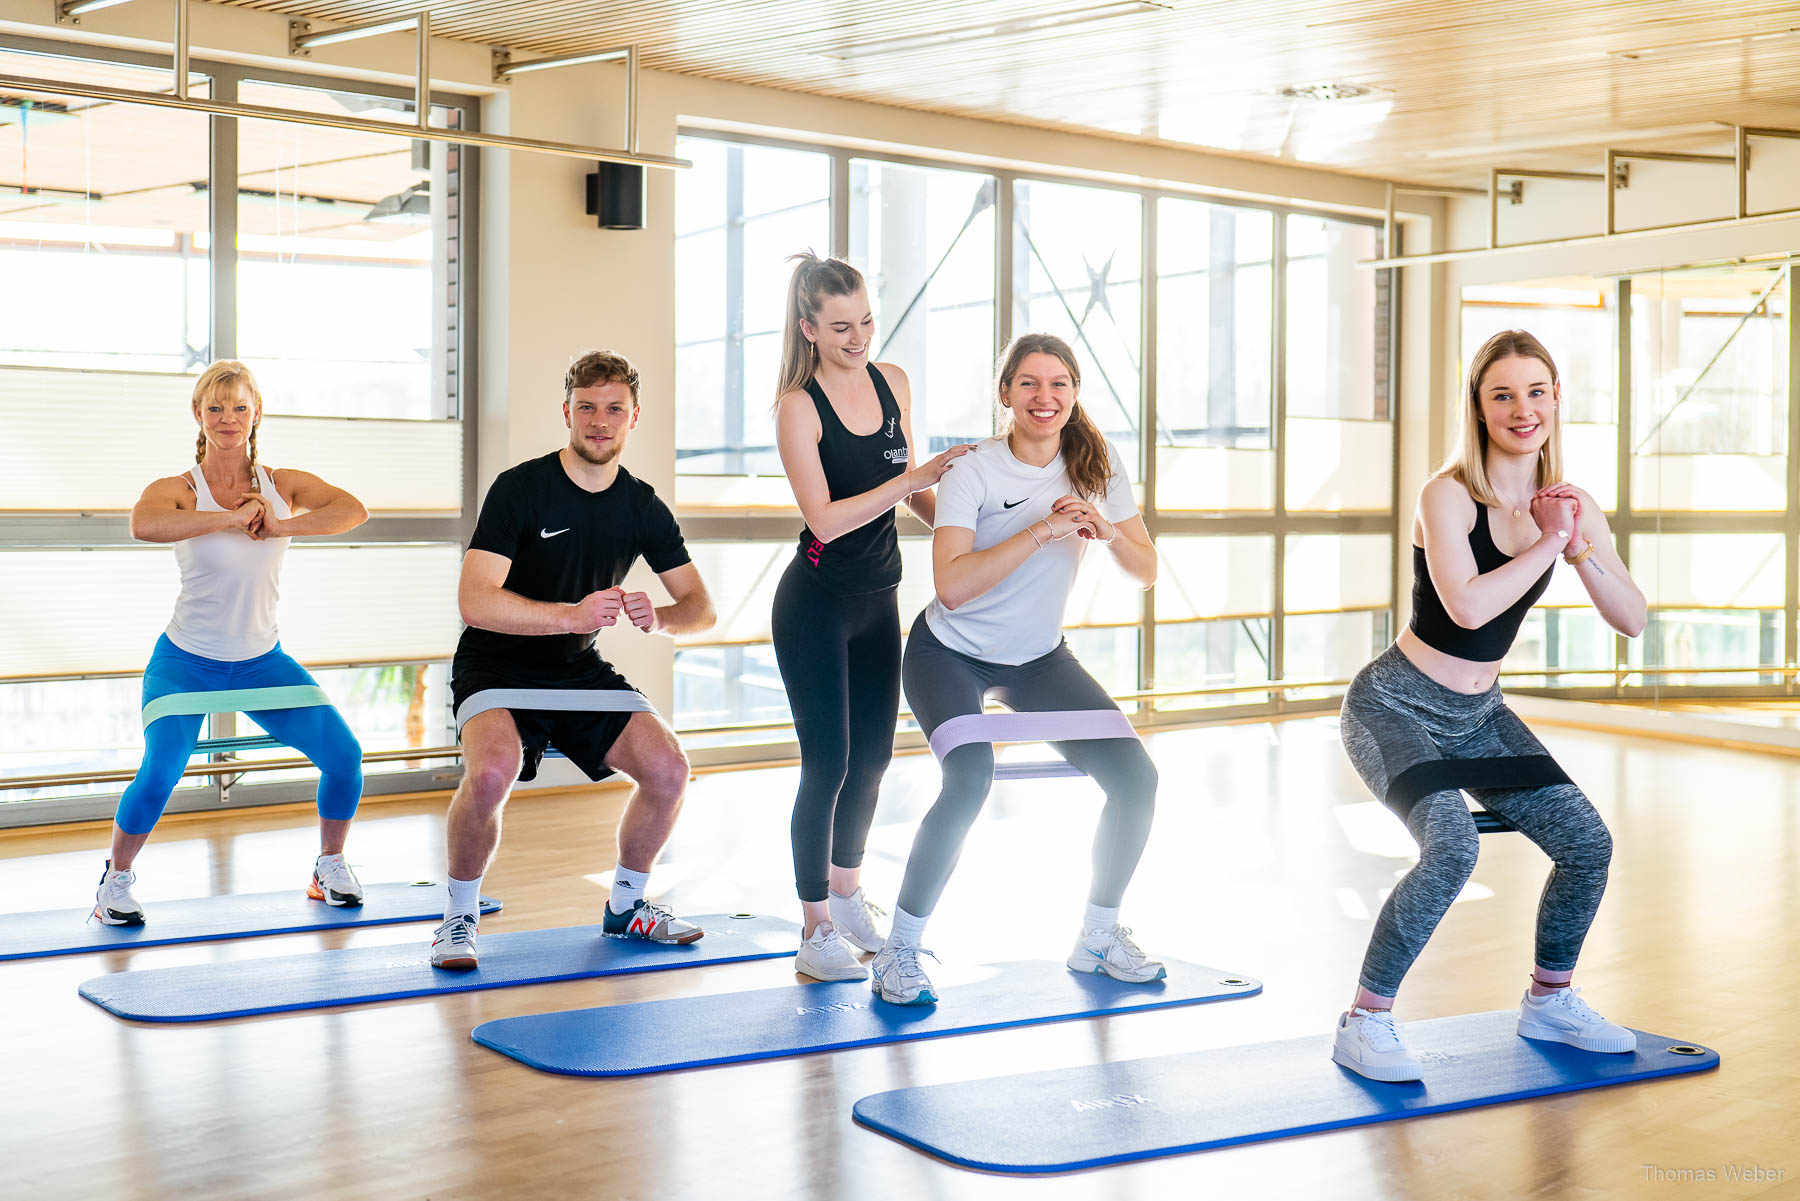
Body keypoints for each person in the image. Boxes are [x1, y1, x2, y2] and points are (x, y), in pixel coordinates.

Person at [1332, 329, 1648, 1082]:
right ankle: (1363, 1020)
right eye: (1502, 393)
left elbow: (1631, 617)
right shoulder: (1446, 493)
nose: (1522, 408)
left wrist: (1578, 545)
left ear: (1556, 398)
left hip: (1480, 714)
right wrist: (1548, 543)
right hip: (1395, 707)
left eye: (1536, 391)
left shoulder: (1571, 506)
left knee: (1587, 845)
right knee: (1452, 847)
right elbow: (1469, 609)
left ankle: (1549, 998)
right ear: (1478, 405)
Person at [867, 333, 1162, 1006]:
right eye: (1028, 383)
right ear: (1004, 394)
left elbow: (1145, 572)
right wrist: (1041, 532)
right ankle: (900, 951)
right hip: (949, 652)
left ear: (1075, 393)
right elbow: (952, 587)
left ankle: (1097, 935)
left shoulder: (1099, 462)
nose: (1044, 397)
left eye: (1059, 384)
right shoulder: (975, 470)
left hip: (1039, 660)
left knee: (1136, 779)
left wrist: (1104, 528)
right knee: (970, 776)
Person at [431, 350, 716, 970]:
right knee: (488, 775)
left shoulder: (642, 507)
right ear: (567, 412)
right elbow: (474, 601)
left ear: (633, 418)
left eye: (614, 408)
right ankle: (458, 917)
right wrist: (570, 615)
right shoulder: (520, 489)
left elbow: (701, 607)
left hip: (576, 668)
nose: (599, 420)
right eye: (586, 407)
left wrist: (661, 618)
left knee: (669, 771)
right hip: (495, 665)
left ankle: (629, 906)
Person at [95, 360, 370, 925]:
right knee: (162, 770)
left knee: (344, 758)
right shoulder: (178, 489)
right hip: (184, 662)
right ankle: (114, 882)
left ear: (256, 413)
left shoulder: (282, 484)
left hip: (260, 661)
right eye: (215, 407)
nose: (228, 418)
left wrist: (280, 523)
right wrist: (225, 519)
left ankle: (328, 866)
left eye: (239, 407)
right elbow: (142, 525)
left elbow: (352, 510)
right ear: (198, 414)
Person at [771, 253, 973, 981]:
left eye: (865, 322)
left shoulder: (893, 382)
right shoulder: (798, 405)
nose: (857, 338)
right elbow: (824, 520)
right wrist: (911, 478)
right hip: (815, 604)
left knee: (876, 758)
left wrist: (965, 539)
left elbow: (911, 500)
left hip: (877, 598)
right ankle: (814, 926)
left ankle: (849, 893)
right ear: (809, 328)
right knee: (826, 761)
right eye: (840, 327)